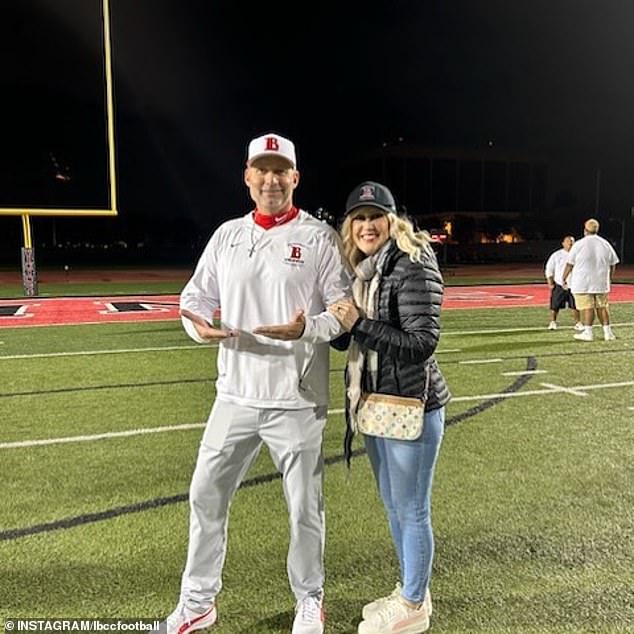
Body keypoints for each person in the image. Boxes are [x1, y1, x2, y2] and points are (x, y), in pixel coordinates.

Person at [160, 132, 351, 634]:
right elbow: (194, 298)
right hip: (235, 395)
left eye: (280, 170)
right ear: (247, 177)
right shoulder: (226, 235)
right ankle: (198, 600)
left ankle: (309, 599)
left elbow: (345, 310)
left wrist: (306, 328)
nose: (271, 179)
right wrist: (196, 324)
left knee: (304, 509)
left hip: (297, 400)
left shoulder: (319, 237)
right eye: (261, 170)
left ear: (295, 177)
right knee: (205, 495)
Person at [328, 181, 451, 634]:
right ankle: (409, 588)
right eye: (357, 218)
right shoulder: (363, 269)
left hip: (411, 403)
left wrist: (358, 323)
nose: (365, 226)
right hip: (376, 403)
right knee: (394, 505)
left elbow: (421, 343)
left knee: (413, 508)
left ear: (391, 219)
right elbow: (353, 337)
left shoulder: (412, 262)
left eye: (374, 216)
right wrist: (336, 324)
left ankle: (415, 605)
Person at [562, 218, 619, 342]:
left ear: (585, 230)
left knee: (587, 307)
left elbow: (569, 263)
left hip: (583, 282)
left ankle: (588, 332)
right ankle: (608, 333)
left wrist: (563, 277)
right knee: (602, 307)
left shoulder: (579, 244)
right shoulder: (605, 243)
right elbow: (613, 263)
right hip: (601, 281)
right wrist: (609, 278)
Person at [544, 235, 583, 331]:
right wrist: (550, 282)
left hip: (574, 285)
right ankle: (553, 322)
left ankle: (578, 323)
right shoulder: (557, 255)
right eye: (568, 242)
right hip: (560, 285)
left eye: (572, 242)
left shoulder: (578, 255)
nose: (570, 244)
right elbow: (549, 269)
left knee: (575, 306)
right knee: (555, 305)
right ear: (563, 243)